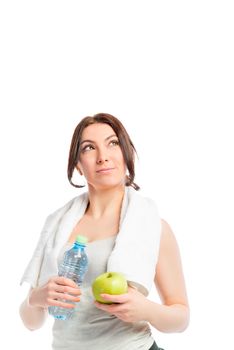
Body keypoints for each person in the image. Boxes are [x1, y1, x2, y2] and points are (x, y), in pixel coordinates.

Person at [19, 113, 189, 350]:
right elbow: (31, 322)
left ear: (125, 153)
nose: (103, 157)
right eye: (89, 148)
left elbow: (181, 319)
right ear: (78, 164)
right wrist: (37, 298)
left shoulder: (153, 226)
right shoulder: (57, 227)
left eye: (113, 143)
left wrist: (146, 309)